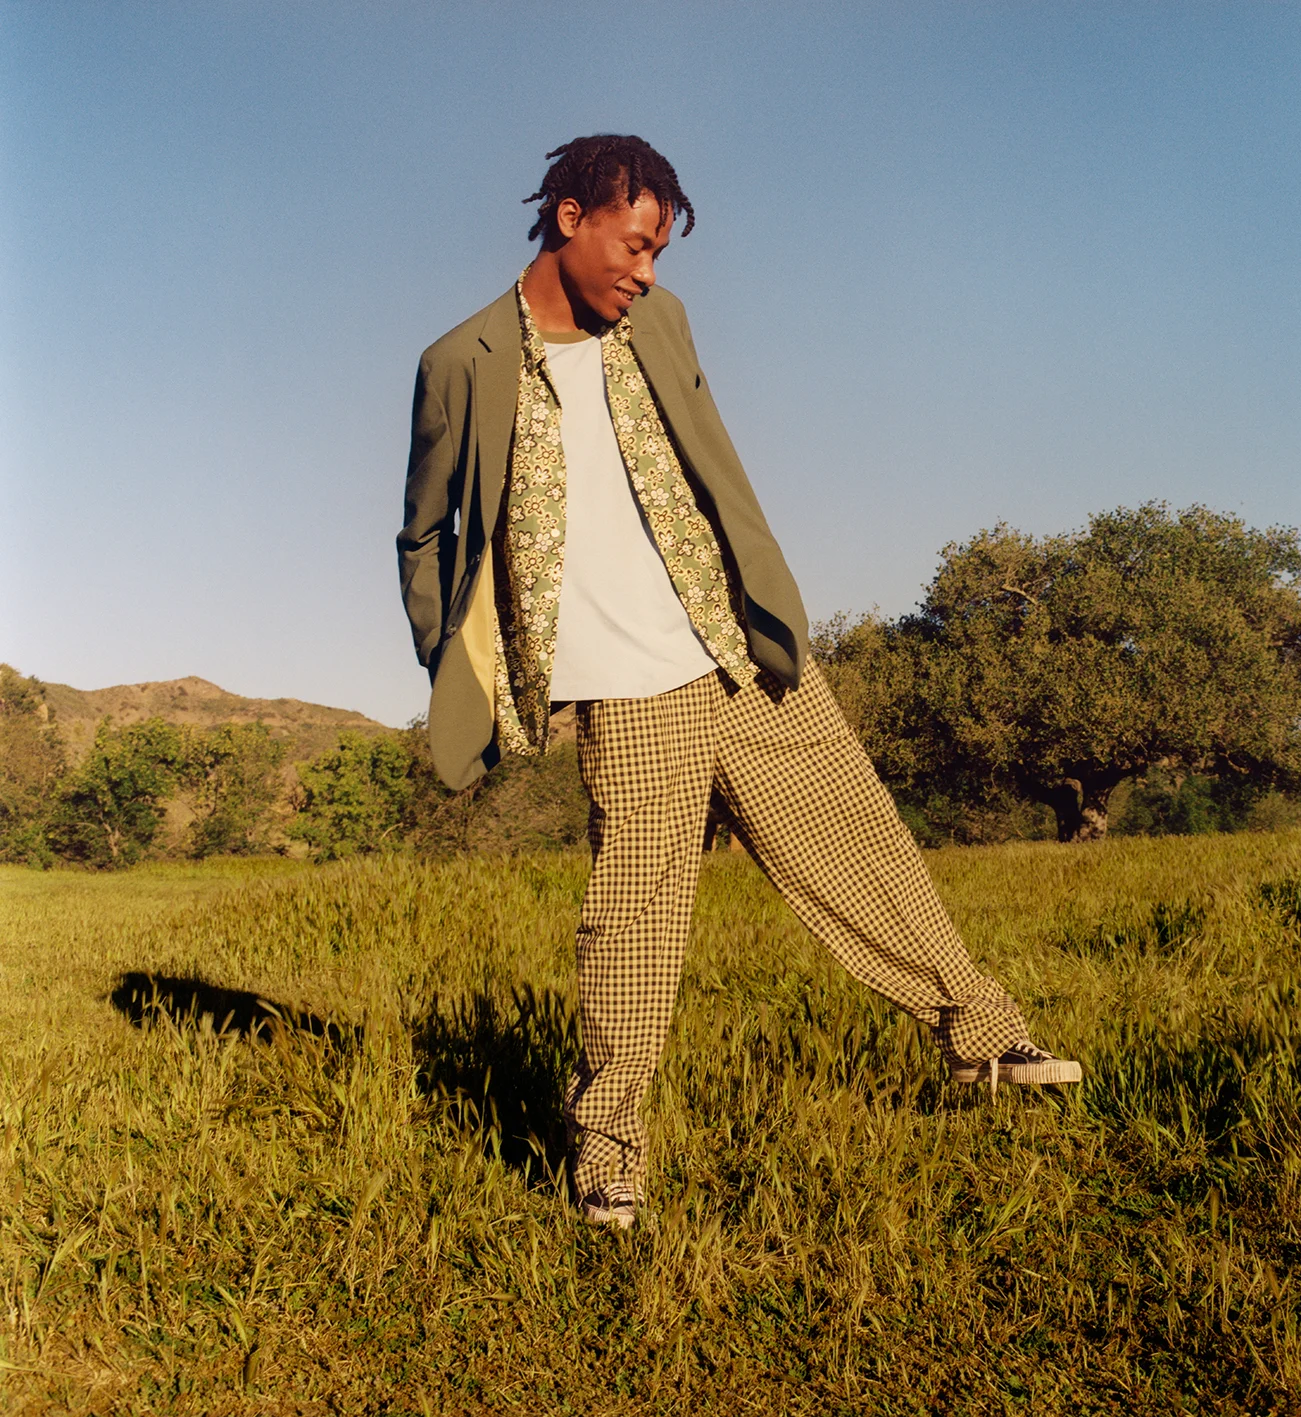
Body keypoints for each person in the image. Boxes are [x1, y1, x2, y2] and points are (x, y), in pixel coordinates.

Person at [397, 135, 1080, 1228]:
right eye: (635, 244)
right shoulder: (460, 362)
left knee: (863, 847)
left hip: (737, 646)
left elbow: (711, 466)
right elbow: (425, 532)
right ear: (570, 219)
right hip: (625, 687)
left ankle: (985, 1042)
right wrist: (455, 661)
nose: (647, 271)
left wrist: (773, 601)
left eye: (659, 253)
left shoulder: (658, 325)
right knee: (634, 925)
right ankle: (607, 1155)